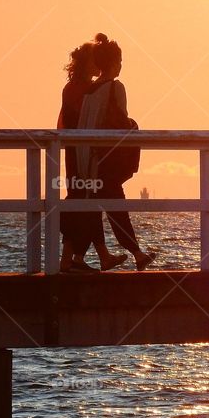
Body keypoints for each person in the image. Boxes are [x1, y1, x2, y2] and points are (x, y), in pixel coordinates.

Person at [78, 33, 157, 271]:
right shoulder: (115, 87)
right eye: (120, 61)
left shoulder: (89, 91)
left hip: (88, 160)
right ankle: (136, 253)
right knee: (117, 207)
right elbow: (120, 121)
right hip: (106, 159)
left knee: (95, 207)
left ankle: (121, 254)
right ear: (113, 63)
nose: (121, 65)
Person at [57, 41, 128, 273]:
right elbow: (82, 121)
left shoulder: (83, 88)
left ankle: (75, 259)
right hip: (79, 153)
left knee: (85, 201)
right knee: (82, 200)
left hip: (79, 151)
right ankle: (74, 259)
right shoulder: (81, 90)